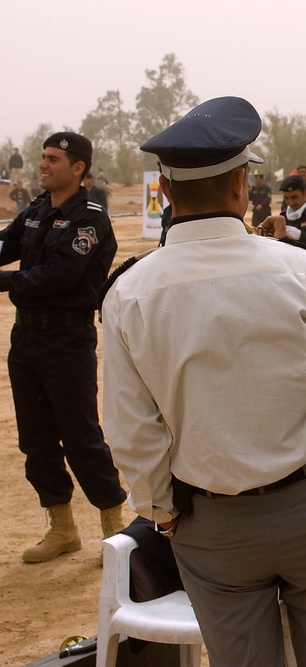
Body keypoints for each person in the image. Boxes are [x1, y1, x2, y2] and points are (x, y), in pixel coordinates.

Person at [102, 96, 306, 666]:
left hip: (209, 521)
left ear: (164, 191)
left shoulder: (128, 294)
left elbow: (131, 430)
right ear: (241, 185)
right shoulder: (300, 267)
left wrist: (162, 510)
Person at [0, 132, 126, 563]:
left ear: (78, 169)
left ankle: (114, 529)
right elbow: (8, 245)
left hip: (67, 339)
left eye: (53, 159)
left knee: (80, 436)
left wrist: (4, 281)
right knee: (35, 437)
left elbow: (57, 277)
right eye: (42, 158)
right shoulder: (36, 210)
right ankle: (62, 527)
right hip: (27, 338)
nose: (43, 165)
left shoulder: (89, 218)